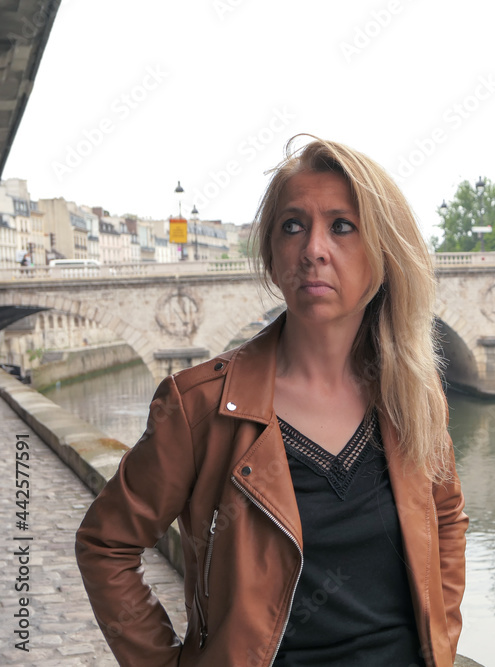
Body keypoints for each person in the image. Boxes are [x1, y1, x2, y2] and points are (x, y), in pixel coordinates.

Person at [76, 137, 468, 667]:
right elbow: (107, 545)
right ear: (271, 251)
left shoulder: (412, 396)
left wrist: (440, 638)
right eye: (292, 226)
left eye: (342, 226)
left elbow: (445, 517)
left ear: (383, 252)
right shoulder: (199, 408)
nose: (313, 249)